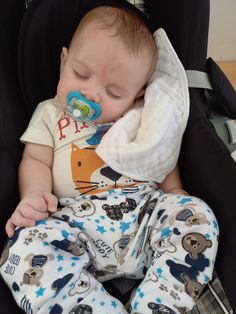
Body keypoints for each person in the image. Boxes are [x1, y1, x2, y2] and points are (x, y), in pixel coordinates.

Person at [0, 6, 218, 314]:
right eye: (81, 74)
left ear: (137, 94)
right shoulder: (50, 112)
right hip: (76, 227)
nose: (91, 94)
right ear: (63, 62)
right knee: (21, 250)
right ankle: (91, 307)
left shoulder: (142, 115)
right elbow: (35, 158)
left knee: (197, 215)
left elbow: (162, 156)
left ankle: (159, 301)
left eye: (114, 92)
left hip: (145, 217)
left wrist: (176, 193)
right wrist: (34, 196)